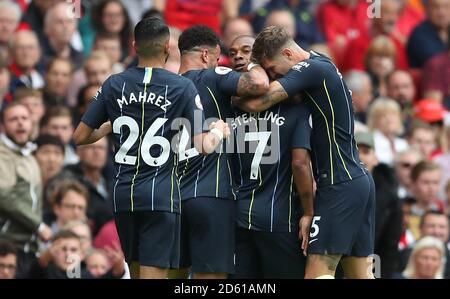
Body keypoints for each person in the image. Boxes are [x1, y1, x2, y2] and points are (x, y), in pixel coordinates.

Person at [73, 17, 230, 279]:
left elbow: (80, 136)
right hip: (160, 196)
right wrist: (218, 130)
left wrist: (111, 126)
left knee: (134, 273)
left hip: (124, 195)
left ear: (134, 45)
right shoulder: (182, 86)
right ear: (168, 47)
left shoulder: (113, 83)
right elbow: (204, 146)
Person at [233, 25, 375, 279]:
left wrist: (226, 95)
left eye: (273, 69)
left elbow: (258, 102)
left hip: (338, 183)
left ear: (288, 54)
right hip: (358, 181)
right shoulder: (323, 63)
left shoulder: (310, 69)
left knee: (317, 273)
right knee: (360, 275)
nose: (274, 76)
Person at [176, 26, 269, 279]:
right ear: (206, 56)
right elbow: (259, 83)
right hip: (211, 194)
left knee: (175, 275)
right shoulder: (212, 76)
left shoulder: (167, 88)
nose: (226, 61)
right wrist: (255, 63)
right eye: (220, 57)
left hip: (170, 198)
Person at [228, 34, 311, 279]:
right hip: (278, 218)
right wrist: (309, 211)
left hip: (237, 215)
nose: (238, 57)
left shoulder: (228, 107)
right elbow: (300, 162)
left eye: (246, 51)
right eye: (232, 53)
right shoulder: (297, 109)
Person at [0, 102, 51, 278]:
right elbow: (4, 197)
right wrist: (38, 225)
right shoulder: (2, 154)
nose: (20, 123)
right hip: (6, 246)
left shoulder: (29, 154)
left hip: (29, 246)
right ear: (3, 125)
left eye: (24, 118)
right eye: (13, 119)